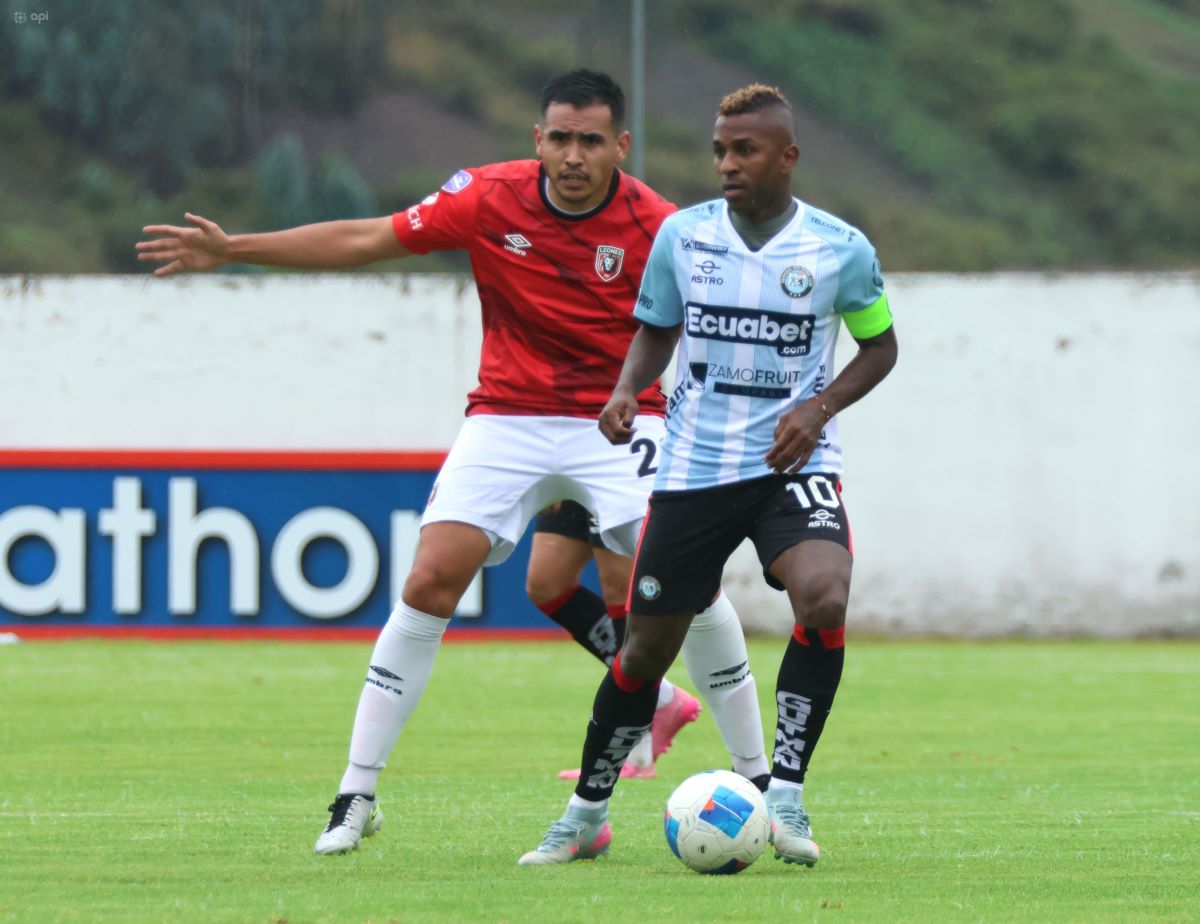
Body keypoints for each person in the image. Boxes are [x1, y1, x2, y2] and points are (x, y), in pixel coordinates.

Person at [136, 69, 769, 857]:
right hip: (507, 415)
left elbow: (727, 316)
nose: (574, 156)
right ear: (538, 140)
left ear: (621, 146)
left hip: (622, 416)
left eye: (591, 141)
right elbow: (368, 237)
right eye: (560, 139)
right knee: (431, 579)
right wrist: (236, 249)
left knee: (675, 582)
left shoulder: (659, 226)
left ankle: (760, 786)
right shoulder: (488, 197)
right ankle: (356, 793)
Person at [519, 83, 898, 868]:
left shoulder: (839, 248)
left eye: (745, 150)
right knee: (642, 655)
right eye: (720, 151)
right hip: (695, 472)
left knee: (824, 594)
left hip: (793, 466)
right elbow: (656, 329)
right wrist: (628, 389)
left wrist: (819, 408)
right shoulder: (683, 237)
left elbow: (879, 347)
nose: (727, 164)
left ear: (786, 157)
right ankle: (586, 813)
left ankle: (784, 795)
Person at [526, 501, 701, 779]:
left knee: (620, 587)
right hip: (565, 468)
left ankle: (638, 752)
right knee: (546, 583)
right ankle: (663, 695)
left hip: (608, 466)